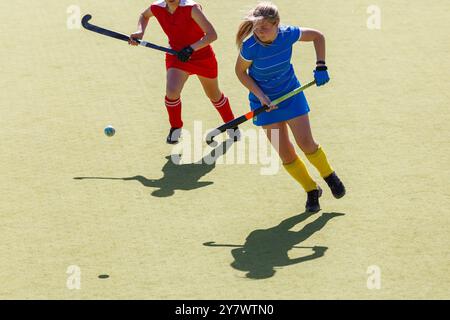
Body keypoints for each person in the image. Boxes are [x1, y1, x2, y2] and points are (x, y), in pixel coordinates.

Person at [234, 2, 345, 212]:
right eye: (256, 28)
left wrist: (321, 65)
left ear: (277, 24)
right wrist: (261, 96)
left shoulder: (288, 34)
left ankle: (329, 175)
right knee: (285, 153)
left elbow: (318, 36)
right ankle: (311, 190)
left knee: (306, 143)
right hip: (263, 103)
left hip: (291, 95)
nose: (259, 33)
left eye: (264, 28)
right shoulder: (250, 47)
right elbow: (240, 73)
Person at [129, 0, 240, 144]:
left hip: (202, 56)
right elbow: (144, 16)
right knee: (172, 91)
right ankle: (175, 127)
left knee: (214, 94)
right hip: (176, 56)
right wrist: (140, 31)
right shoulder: (157, 7)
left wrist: (191, 48)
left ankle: (231, 124)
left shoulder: (192, 8)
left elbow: (212, 35)